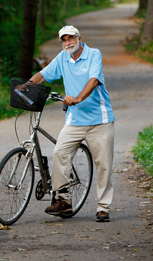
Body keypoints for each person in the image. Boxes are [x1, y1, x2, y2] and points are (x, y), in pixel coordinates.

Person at [28, 25, 115, 222]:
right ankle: (63, 201)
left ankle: (103, 207)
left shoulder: (94, 54)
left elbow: (93, 80)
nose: (68, 43)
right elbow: (43, 74)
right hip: (75, 121)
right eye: (64, 40)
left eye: (71, 39)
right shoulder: (62, 58)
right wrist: (25, 87)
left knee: (103, 164)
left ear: (79, 38)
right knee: (60, 153)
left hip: (99, 121)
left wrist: (77, 98)